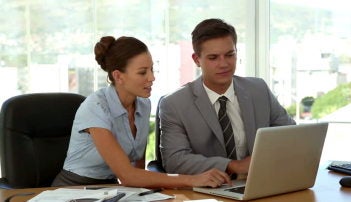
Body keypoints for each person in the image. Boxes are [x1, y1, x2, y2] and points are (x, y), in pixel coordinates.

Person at [52, 36, 231, 188]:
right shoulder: (96, 107)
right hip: (74, 188)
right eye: (142, 72)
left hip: (110, 189)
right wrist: (194, 179)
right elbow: (128, 175)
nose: (152, 77)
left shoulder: (143, 105)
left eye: (152, 69)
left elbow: (137, 170)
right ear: (118, 76)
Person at [159, 18, 296, 177]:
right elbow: (174, 160)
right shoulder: (174, 104)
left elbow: (291, 135)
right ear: (197, 60)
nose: (224, 64)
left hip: (259, 182)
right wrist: (232, 166)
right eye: (213, 58)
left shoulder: (259, 89)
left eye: (229, 55)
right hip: (207, 190)